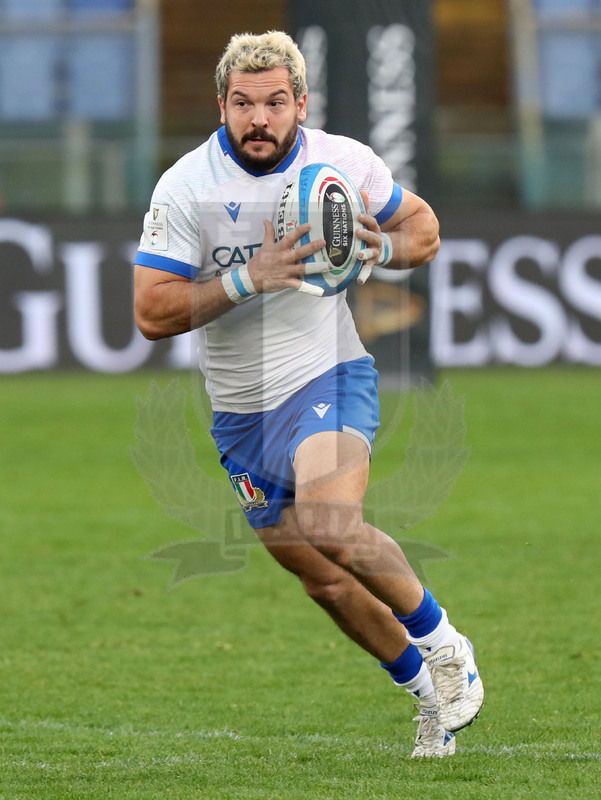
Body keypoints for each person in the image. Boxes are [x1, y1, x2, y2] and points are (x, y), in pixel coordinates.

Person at [134, 30, 483, 759]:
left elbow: (420, 228)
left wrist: (377, 248)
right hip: (238, 413)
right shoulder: (187, 187)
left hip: (326, 373)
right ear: (221, 105)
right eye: (241, 104)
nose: (257, 118)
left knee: (330, 520)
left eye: (273, 103)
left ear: (299, 102)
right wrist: (246, 278)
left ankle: (445, 645)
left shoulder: (343, 163)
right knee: (322, 580)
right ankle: (426, 698)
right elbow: (150, 311)